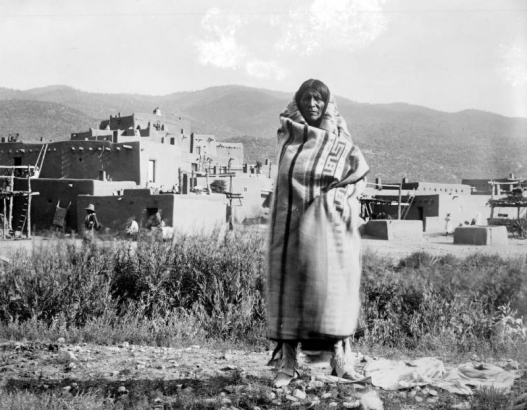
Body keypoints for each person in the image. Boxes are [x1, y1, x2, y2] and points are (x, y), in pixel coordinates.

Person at [267, 79, 369, 387]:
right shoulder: (288, 138)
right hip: (288, 230)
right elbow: (285, 181)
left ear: (327, 105)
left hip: (329, 231)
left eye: (319, 99)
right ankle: (287, 364)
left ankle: (340, 360)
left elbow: (357, 178)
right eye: (306, 98)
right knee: (287, 292)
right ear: (297, 103)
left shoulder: (340, 142)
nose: (312, 104)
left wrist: (334, 201)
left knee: (332, 291)